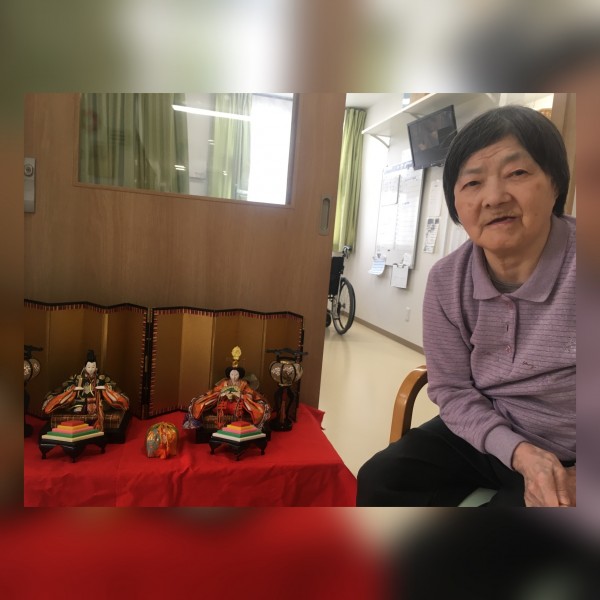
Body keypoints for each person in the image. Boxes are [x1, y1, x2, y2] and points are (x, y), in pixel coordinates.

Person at [357, 105, 575, 507]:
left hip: (572, 450)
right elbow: (452, 389)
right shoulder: (447, 279)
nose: (494, 197)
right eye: (472, 182)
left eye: (517, 173)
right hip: (486, 432)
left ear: (556, 183)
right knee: (381, 479)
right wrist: (519, 452)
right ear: (456, 204)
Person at [42, 349, 130, 431]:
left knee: (103, 406)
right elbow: (66, 385)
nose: (91, 369)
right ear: (84, 367)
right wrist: (73, 388)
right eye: (89, 367)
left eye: (93, 367)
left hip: (98, 402)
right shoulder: (77, 377)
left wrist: (105, 388)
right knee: (77, 408)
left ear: (96, 368)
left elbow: (113, 386)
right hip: (80, 402)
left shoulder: (102, 377)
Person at [183, 365, 271, 432]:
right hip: (224, 402)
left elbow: (250, 393)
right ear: (229, 375)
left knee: (252, 406)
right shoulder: (224, 383)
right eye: (232, 374)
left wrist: (240, 395)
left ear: (240, 375)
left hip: (238, 403)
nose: (234, 376)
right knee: (202, 402)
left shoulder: (243, 383)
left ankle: (250, 425)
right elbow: (215, 390)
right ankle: (197, 419)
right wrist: (222, 394)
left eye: (236, 374)